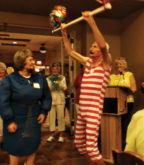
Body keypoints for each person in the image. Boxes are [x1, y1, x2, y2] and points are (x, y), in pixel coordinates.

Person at [61, 9, 112, 165]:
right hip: (82, 109)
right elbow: (70, 52)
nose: (93, 47)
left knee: (91, 147)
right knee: (79, 144)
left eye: (96, 46)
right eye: (93, 45)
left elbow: (103, 46)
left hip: (93, 111)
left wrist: (91, 22)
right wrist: (64, 33)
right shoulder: (88, 62)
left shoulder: (106, 64)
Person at [0, 49, 52, 165]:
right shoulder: (9, 80)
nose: (33, 62)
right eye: (30, 59)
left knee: (32, 145)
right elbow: (3, 102)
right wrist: (9, 120)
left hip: (34, 118)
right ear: (22, 62)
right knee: (15, 148)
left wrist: (43, 112)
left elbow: (47, 97)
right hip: (15, 119)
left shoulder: (39, 79)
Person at [108, 57, 137, 147]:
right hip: (113, 103)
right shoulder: (111, 76)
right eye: (117, 64)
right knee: (114, 124)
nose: (119, 66)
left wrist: (125, 89)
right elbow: (107, 90)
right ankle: (114, 143)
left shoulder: (129, 75)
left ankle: (125, 144)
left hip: (127, 102)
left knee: (125, 124)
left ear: (125, 66)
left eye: (121, 64)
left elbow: (134, 89)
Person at [46, 62, 67, 143]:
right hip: (51, 100)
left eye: (56, 69)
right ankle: (52, 134)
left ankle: (61, 135)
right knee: (51, 118)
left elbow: (65, 88)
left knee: (61, 117)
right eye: (53, 69)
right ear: (51, 70)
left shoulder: (62, 78)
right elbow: (47, 89)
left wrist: (59, 84)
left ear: (59, 70)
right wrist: (51, 87)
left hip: (60, 100)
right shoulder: (48, 79)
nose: (55, 70)